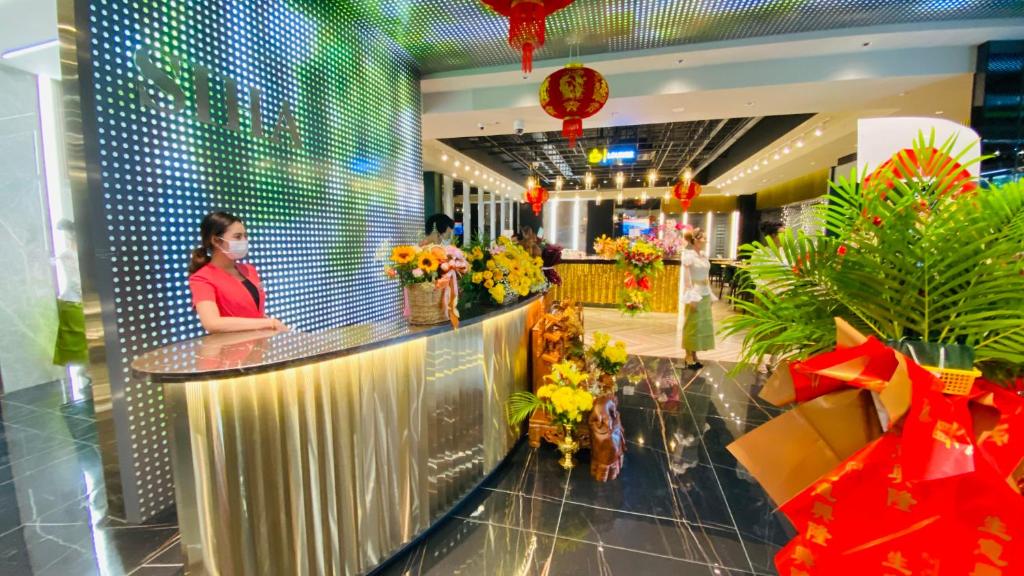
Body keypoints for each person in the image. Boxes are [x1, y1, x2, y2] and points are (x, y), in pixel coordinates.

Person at [188, 211, 287, 333]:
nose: (244, 241)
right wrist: (268, 323)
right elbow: (212, 323)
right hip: (230, 348)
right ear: (216, 241)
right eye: (238, 237)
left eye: (245, 236)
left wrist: (264, 323)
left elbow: (253, 311)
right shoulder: (202, 278)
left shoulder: (249, 270)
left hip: (258, 344)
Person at [681, 228, 714, 369]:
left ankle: (695, 353)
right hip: (695, 292)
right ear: (695, 240)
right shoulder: (688, 255)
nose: (706, 241)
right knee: (692, 323)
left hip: (705, 292)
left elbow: (706, 276)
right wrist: (691, 295)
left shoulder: (703, 255)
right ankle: (688, 354)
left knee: (701, 325)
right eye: (703, 238)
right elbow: (687, 279)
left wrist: (710, 293)